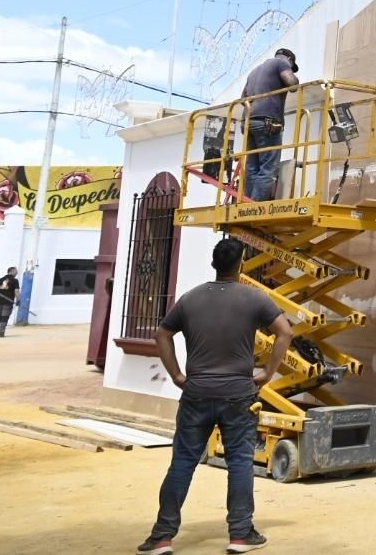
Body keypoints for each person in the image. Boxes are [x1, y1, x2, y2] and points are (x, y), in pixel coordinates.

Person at [140, 237, 295, 555]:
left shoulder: (191, 299)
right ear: (241, 263)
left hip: (196, 391)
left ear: (215, 263)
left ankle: (162, 536)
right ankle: (240, 534)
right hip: (239, 393)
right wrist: (266, 373)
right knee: (239, 462)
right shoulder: (254, 298)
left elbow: (162, 334)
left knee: (182, 461)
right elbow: (285, 332)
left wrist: (177, 375)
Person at [239, 48, 299, 201]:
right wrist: (294, 78)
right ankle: (254, 207)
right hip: (268, 123)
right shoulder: (282, 62)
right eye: (292, 66)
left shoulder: (254, 71)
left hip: (249, 124)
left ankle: (246, 205)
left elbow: (242, 98)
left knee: (252, 168)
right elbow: (292, 84)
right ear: (289, 59)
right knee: (267, 169)